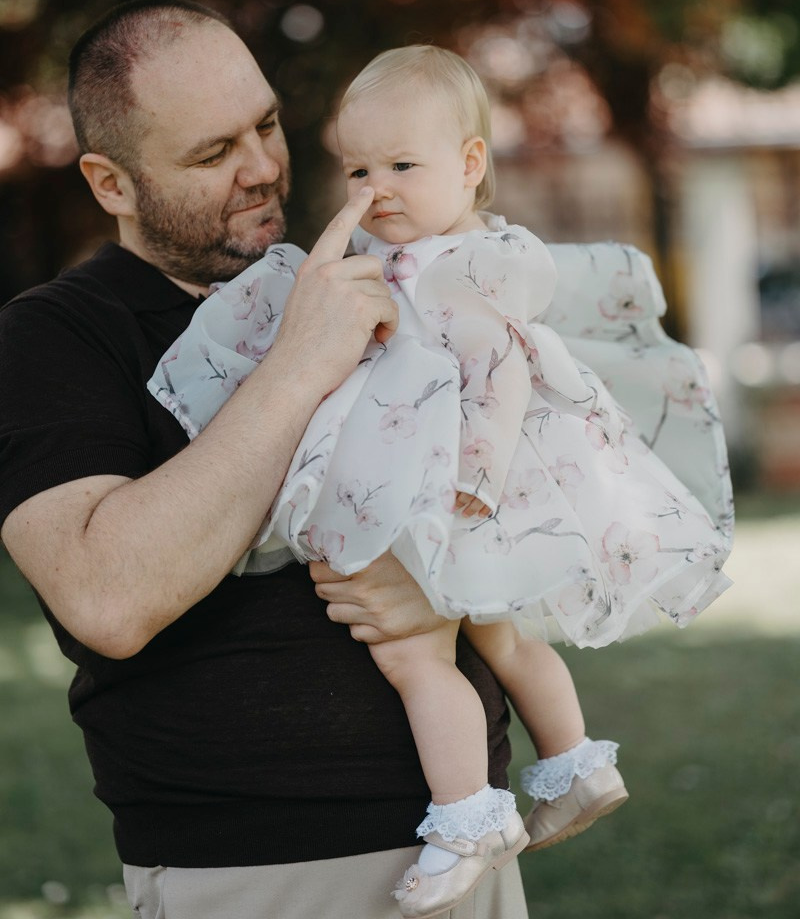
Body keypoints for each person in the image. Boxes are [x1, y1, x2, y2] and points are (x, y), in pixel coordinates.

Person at [150, 46, 734, 918]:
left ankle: (466, 820)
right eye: (358, 168)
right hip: (463, 485)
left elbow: (501, 373)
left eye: (401, 166)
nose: (375, 187)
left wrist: (480, 482)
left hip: (457, 489)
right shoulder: (429, 254)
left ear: (469, 165)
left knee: (414, 655)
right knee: (498, 638)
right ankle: (578, 762)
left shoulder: (455, 268)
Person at [0, 1, 530, 919]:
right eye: (213, 154)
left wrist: (445, 577)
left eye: (268, 126)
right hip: (251, 867)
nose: (262, 169)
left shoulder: (351, 272)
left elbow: (528, 482)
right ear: (110, 182)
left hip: (466, 837)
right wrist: (299, 362)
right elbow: (105, 600)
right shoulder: (55, 335)